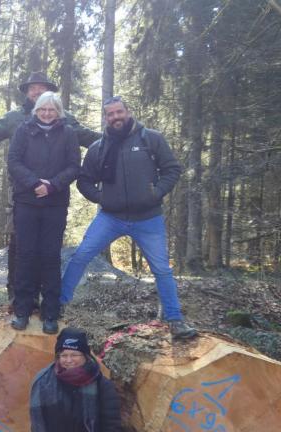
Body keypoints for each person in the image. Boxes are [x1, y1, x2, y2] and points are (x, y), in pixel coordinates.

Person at [61, 97, 198, 340]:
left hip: (148, 218)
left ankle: (175, 321)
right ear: (105, 118)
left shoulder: (151, 139)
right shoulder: (98, 148)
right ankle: (58, 305)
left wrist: (155, 193)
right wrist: (101, 197)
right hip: (110, 217)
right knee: (81, 255)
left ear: (128, 112)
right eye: (110, 114)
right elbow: (84, 180)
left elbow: (172, 169)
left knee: (161, 270)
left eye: (119, 112)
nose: (115, 117)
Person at [0, 71, 101, 301]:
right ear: (26, 92)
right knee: (20, 246)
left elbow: (85, 137)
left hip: (54, 197)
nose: (37, 91)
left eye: (41, 87)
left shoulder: (64, 119)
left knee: (48, 249)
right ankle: (18, 296)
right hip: (23, 194)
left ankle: (47, 298)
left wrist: (115, 140)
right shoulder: (15, 118)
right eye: (32, 88)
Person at [9, 92, 80, 334]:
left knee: (50, 256)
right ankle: (22, 310)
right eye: (42, 109)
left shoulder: (68, 133)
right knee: (25, 255)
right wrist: (33, 183)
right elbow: (14, 161)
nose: (47, 113)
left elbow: (73, 166)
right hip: (26, 202)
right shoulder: (23, 131)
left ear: (59, 112)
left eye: (51, 110)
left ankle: (51, 313)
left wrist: (52, 185)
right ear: (36, 110)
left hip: (55, 203)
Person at [30, 327, 122, 432]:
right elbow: (38, 423)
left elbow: (111, 425)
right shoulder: (43, 382)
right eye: (64, 355)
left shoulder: (102, 385)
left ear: (85, 356)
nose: (69, 360)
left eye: (74, 355)